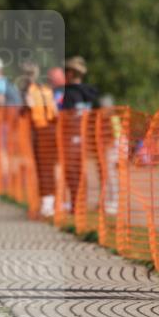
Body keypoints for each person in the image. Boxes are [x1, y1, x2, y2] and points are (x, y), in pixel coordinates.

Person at [60, 56, 99, 212]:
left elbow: (68, 116)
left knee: (72, 170)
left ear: (71, 73)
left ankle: (76, 204)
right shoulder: (89, 93)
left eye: (66, 71)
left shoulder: (70, 94)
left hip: (72, 137)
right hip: (86, 136)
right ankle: (79, 202)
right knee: (80, 169)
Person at [21, 61, 58, 217]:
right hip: (51, 130)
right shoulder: (47, 90)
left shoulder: (29, 91)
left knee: (43, 168)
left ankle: (47, 205)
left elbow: (27, 107)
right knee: (50, 167)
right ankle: (50, 202)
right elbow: (55, 111)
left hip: (39, 131)